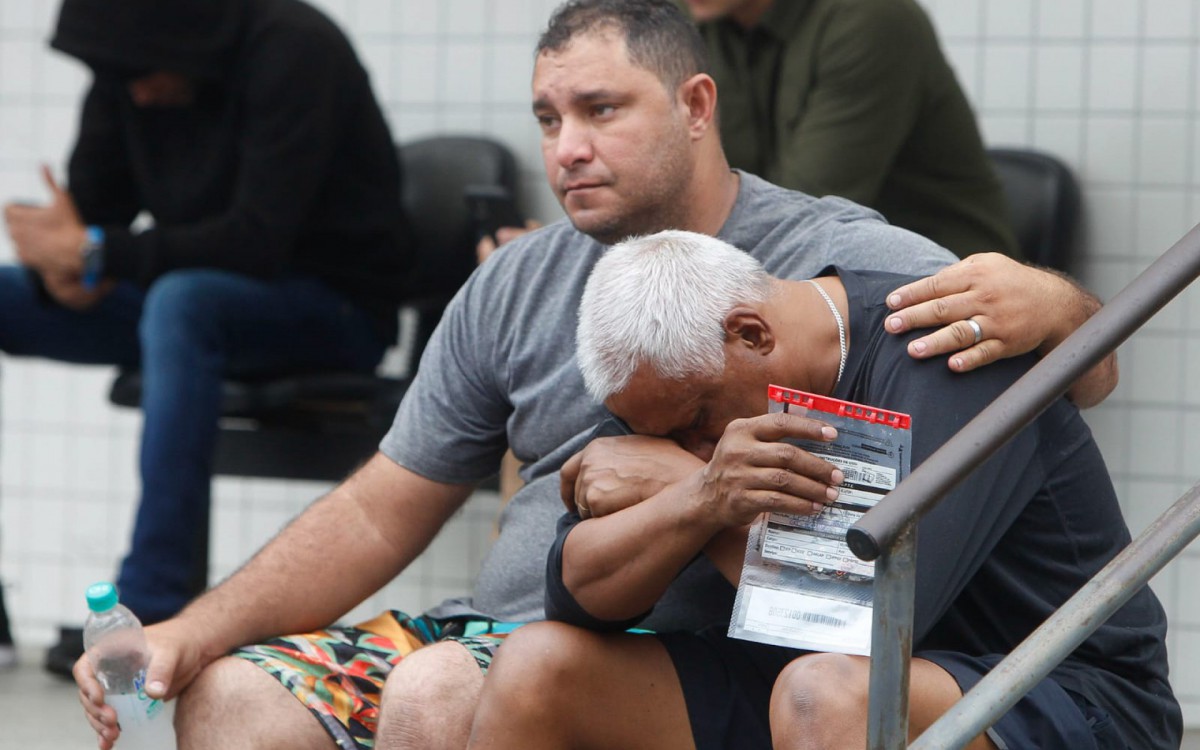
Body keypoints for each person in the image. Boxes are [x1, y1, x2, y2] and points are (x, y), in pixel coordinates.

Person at [72, 2, 1116, 749]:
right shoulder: (515, 280)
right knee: (231, 701)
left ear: (696, 104)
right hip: (507, 619)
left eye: (601, 110)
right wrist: (185, 631)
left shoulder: (836, 261)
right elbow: (380, 511)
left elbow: (1055, 374)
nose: (567, 148)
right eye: (547, 119)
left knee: (442, 693)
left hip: (681, 646)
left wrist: (1066, 308)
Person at [463, 230, 1178, 749]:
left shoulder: (945, 346)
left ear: (752, 334)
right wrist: (700, 496)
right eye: (662, 436)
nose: (691, 445)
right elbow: (575, 593)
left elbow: (877, 623)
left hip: (1064, 690)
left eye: (698, 424)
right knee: (536, 667)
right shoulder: (667, 377)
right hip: (810, 680)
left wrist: (695, 490)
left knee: (825, 695)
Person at [1, 0, 411, 675]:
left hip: (331, 307)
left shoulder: (295, 47)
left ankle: (151, 610)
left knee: (181, 299)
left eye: (141, 72)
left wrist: (101, 254)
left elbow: (257, 239)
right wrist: (61, 269)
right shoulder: (128, 69)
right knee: (14, 294)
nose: (135, 90)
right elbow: (95, 218)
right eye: (117, 75)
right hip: (190, 301)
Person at [682, 0, 1019, 259]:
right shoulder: (697, 18)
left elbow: (801, 216)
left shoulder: (870, 18)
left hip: (941, 286)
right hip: (803, 271)